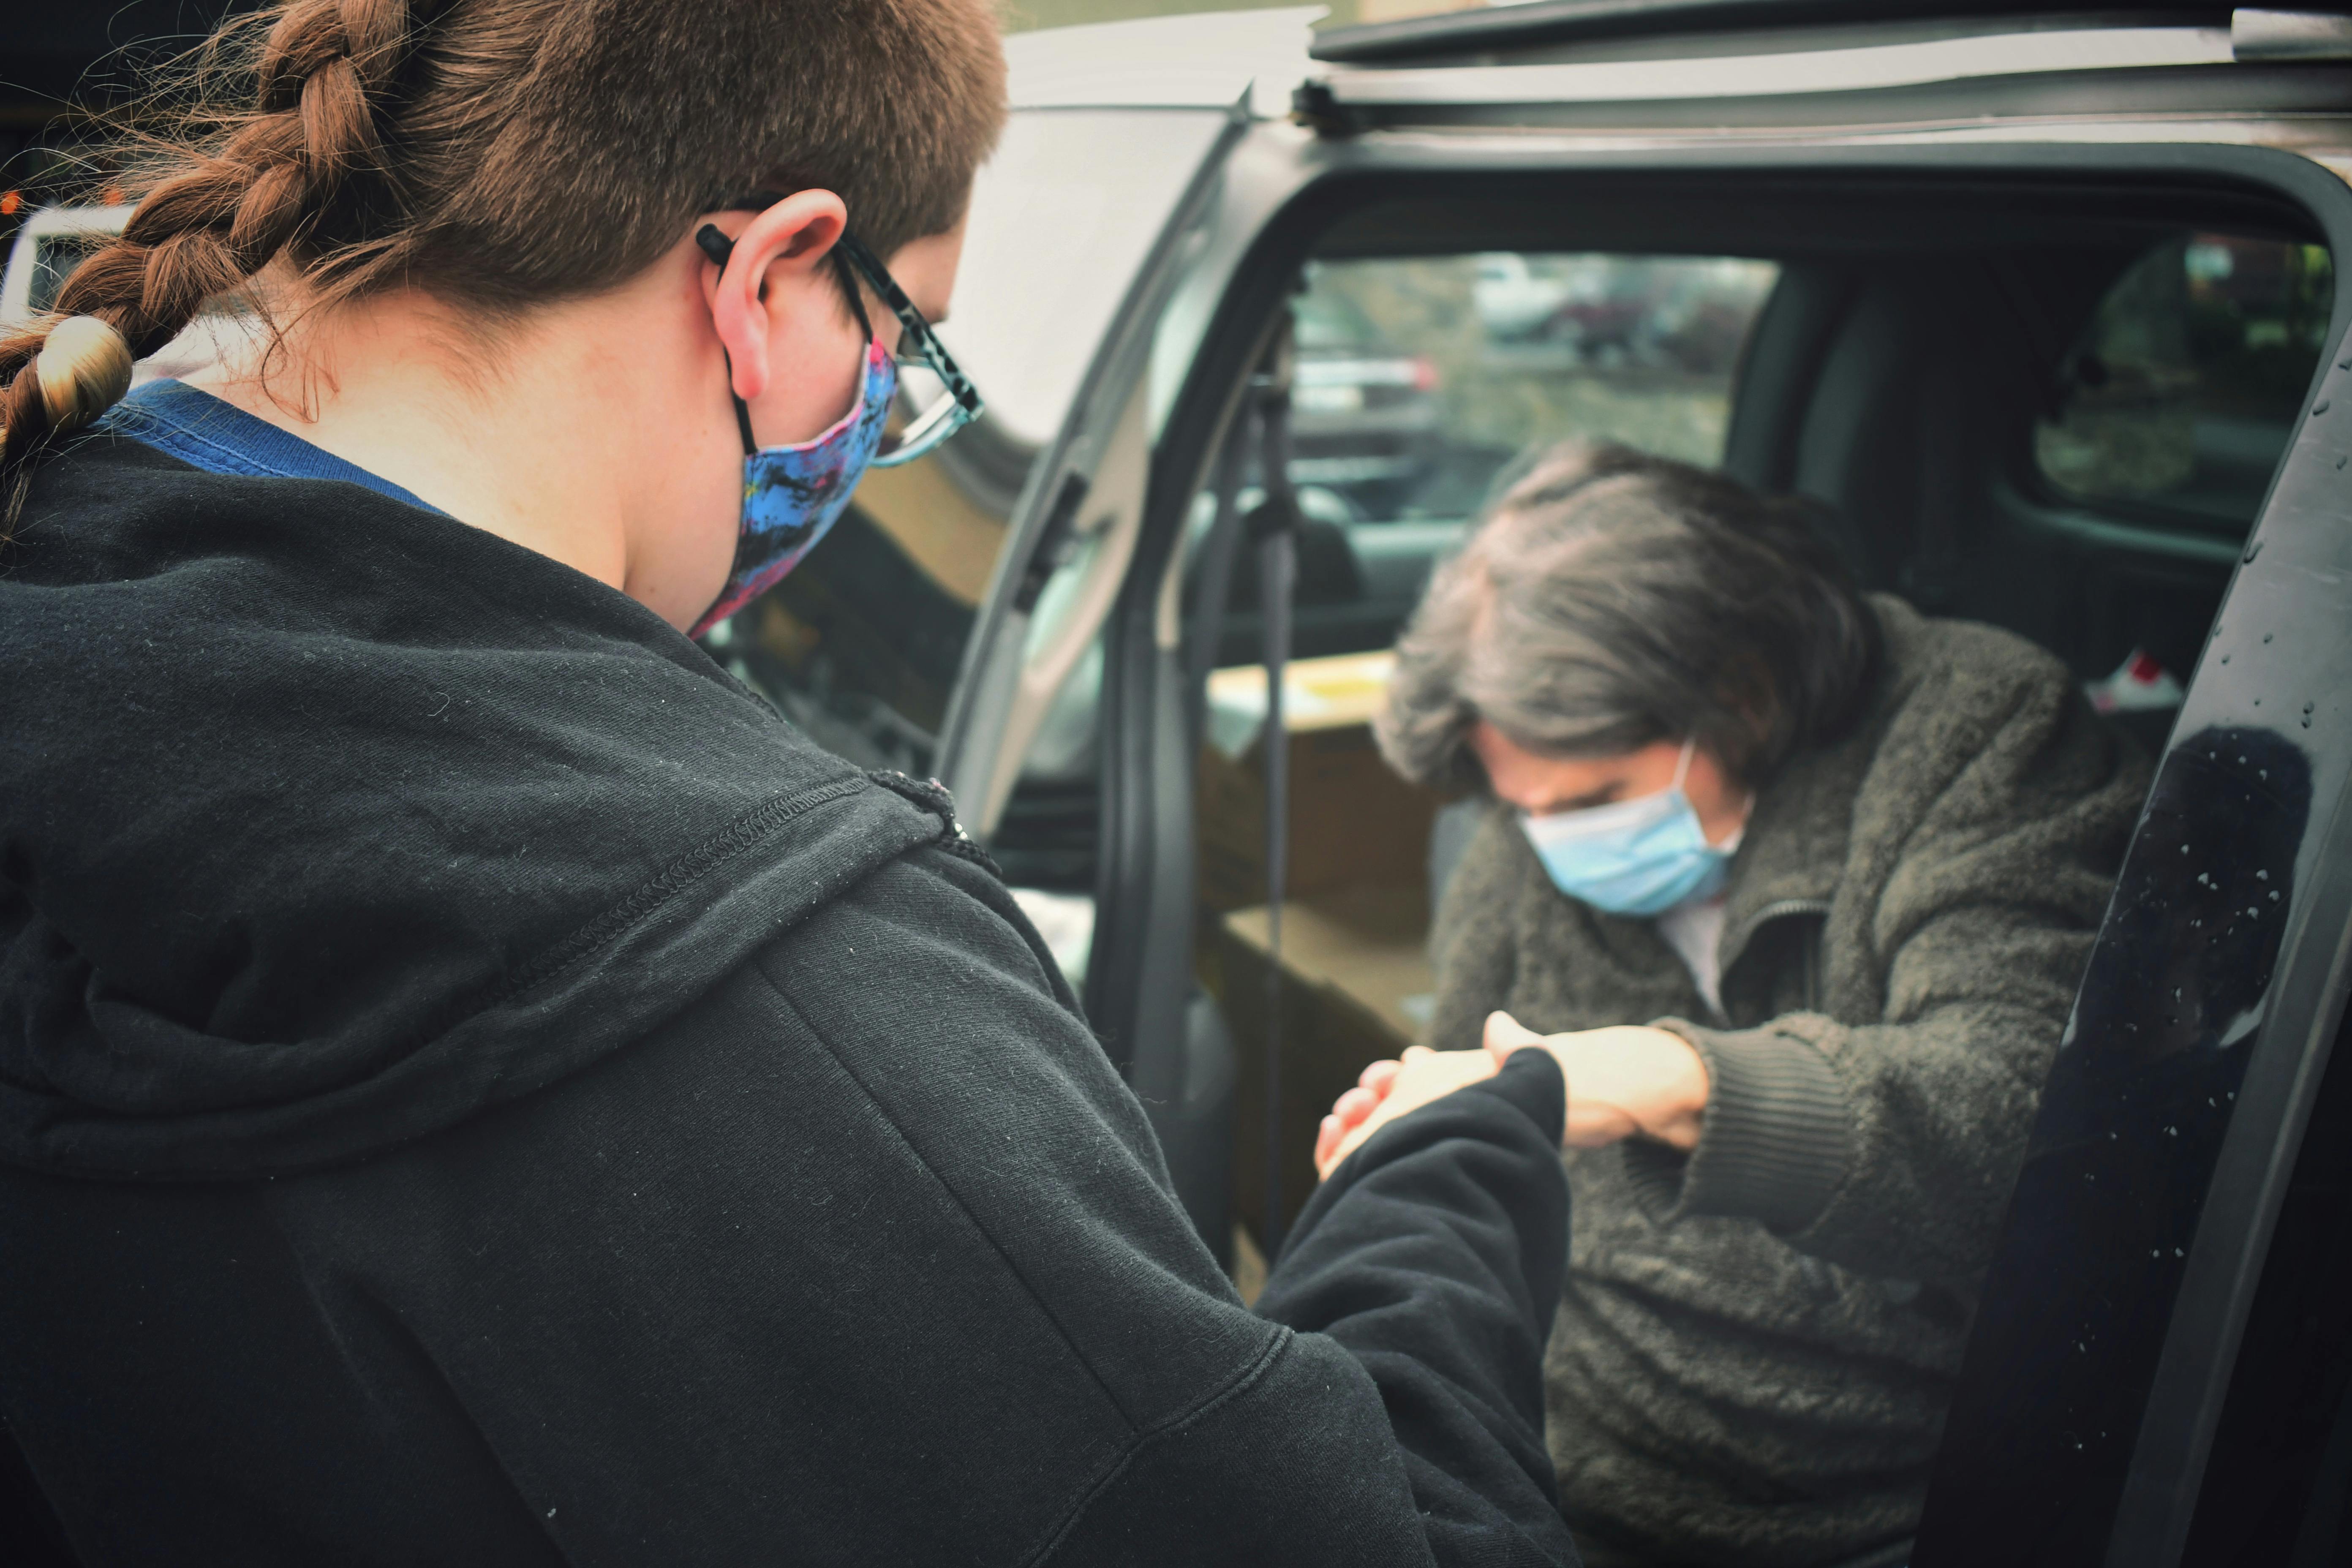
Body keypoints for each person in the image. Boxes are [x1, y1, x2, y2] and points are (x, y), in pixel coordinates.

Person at [0, 5, 1581, 1563]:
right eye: (902, 339)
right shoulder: (796, 991)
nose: (882, 411)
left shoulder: (51, 570)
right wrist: (1438, 1185)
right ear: (768, 275)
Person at [1316, 443, 2151, 1568]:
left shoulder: (1981, 734)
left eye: (1599, 799)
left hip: (1890, 1503)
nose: (1557, 842)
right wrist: (1407, 1182)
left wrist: (1662, 1081)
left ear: (1740, 697)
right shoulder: (1526, 845)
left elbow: (2022, 1127)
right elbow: (1477, 1188)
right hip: (1568, 1480)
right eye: (1526, 810)